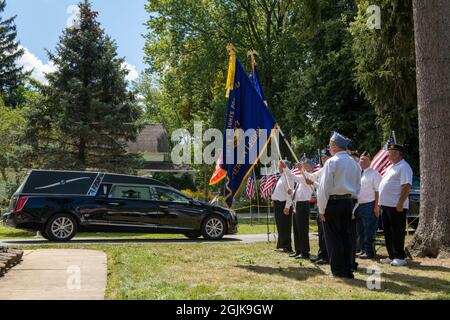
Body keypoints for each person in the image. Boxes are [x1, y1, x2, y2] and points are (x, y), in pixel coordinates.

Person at [318, 132, 361, 279]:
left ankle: (337, 270)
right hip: (348, 202)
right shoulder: (354, 163)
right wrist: (354, 205)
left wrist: (322, 209)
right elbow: (358, 186)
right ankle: (348, 268)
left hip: (333, 203)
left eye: (330, 145)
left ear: (335, 146)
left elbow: (324, 188)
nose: (329, 147)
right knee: (346, 237)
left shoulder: (332, 162)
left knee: (333, 238)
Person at [378, 144, 413, 267]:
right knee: (388, 231)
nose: (387, 154)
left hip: (396, 205)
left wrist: (400, 203)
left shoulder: (404, 166)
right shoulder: (392, 167)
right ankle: (391, 255)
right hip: (386, 205)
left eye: (390, 152)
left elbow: (407, 185)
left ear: (397, 153)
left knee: (397, 231)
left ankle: (400, 256)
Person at [302, 149, 331, 265]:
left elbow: (324, 187)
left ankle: (327, 256)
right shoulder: (323, 169)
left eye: (325, 157)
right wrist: (301, 169)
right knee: (321, 233)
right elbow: (311, 176)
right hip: (320, 204)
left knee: (326, 234)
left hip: (328, 204)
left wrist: (312, 183)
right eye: (322, 157)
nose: (323, 159)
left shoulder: (330, 170)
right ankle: (322, 254)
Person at [283, 160, 315, 259]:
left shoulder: (309, 177)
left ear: (310, 168)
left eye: (305, 166)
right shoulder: (302, 178)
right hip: (297, 204)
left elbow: (294, 177)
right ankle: (298, 250)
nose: (303, 167)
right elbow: (298, 193)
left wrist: (286, 168)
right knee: (296, 229)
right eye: (303, 166)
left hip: (303, 205)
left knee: (303, 230)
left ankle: (305, 252)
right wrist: (291, 192)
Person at [355, 152, 382, 259]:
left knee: (369, 230)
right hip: (359, 205)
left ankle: (369, 251)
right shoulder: (358, 174)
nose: (362, 161)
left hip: (370, 205)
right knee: (360, 231)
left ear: (370, 162)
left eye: (365, 159)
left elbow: (378, 191)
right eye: (361, 159)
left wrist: (376, 206)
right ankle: (362, 250)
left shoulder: (374, 174)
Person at [272, 160, 295, 253]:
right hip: (278, 203)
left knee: (285, 225)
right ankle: (281, 244)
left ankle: (286, 246)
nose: (278, 167)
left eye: (280, 166)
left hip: (284, 204)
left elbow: (290, 193)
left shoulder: (288, 177)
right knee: (280, 225)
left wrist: (287, 206)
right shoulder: (281, 176)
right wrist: (274, 199)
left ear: (284, 166)